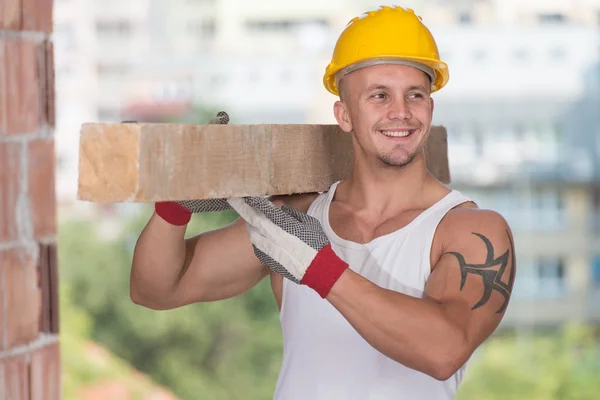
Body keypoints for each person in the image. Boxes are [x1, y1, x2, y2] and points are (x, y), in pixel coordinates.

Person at [130, 5, 516, 399]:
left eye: (415, 95)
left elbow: (443, 351)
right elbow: (156, 289)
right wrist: (176, 206)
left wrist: (318, 267)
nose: (400, 112)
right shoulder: (296, 218)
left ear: (430, 108)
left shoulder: (468, 229)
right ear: (344, 114)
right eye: (379, 95)